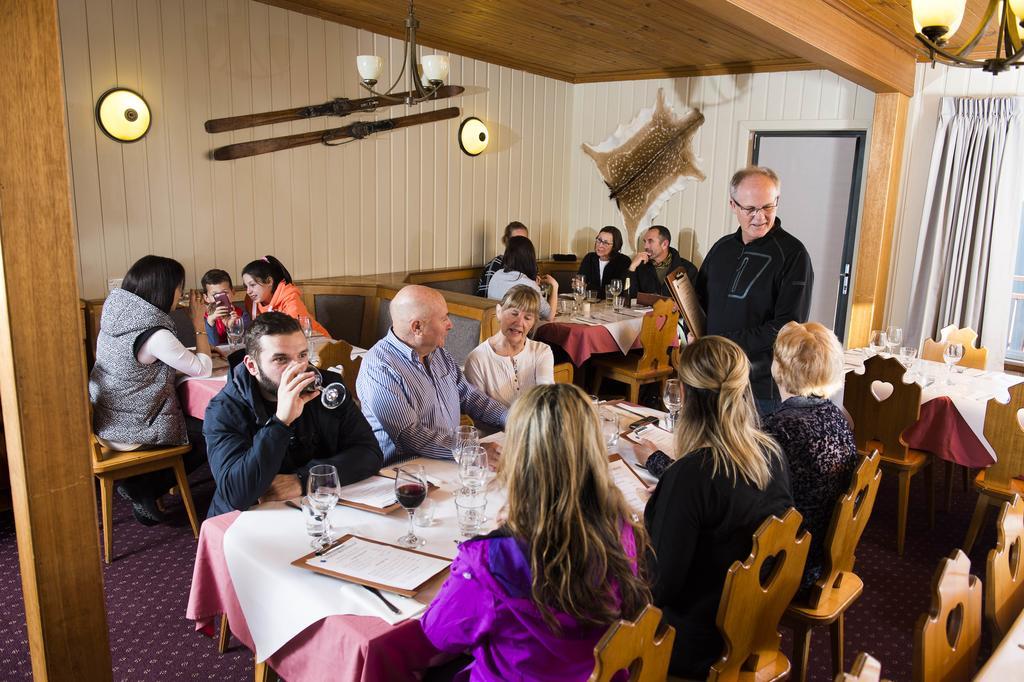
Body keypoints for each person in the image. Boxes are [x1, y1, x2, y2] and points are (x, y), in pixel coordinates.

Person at [421, 383, 651, 681]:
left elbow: (438, 633)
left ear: (518, 456)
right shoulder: (621, 528)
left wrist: (487, 544)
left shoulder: (491, 558)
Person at [643, 336, 793, 679]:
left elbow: (658, 586)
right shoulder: (772, 454)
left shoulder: (692, 476)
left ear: (686, 395)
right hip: (754, 623)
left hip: (696, 640)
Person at [203, 312, 382, 517]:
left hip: (317, 506)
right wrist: (280, 422)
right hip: (249, 519)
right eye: (281, 359)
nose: (297, 369)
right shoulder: (224, 410)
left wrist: (302, 480)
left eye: (302, 356)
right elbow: (237, 494)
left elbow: (370, 453)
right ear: (252, 366)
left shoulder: (328, 386)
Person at [89, 255, 214, 526]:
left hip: (107, 420)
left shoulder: (118, 315)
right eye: (180, 288)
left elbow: (139, 366)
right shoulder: (156, 334)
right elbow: (203, 369)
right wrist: (198, 323)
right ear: (165, 290)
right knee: (211, 431)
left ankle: (139, 480)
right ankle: (143, 488)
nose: (181, 294)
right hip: (132, 427)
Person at [696, 166, 813, 415]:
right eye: (750, 209)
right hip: (711, 377)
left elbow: (787, 326)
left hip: (758, 389)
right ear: (733, 204)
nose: (760, 217)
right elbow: (698, 303)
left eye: (768, 207)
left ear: (777, 201)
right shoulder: (721, 248)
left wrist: (724, 344)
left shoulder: (793, 254)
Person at [357, 285, 508, 465]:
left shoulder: (437, 353)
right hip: (404, 473)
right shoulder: (379, 366)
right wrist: (470, 451)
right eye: (444, 318)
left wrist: (511, 417)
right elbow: (410, 435)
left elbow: (470, 396)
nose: (450, 325)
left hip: (449, 462)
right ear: (417, 327)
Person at [762, 321, 857, 593]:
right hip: (823, 556)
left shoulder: (779, 428)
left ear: (777, 368)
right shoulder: (838, 418)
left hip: (786, 566)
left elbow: (725, 489)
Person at [464, 285, 554, 407]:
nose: (519, 323)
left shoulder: (542, 351)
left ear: (533, 324)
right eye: (514, 313)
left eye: (527, 318)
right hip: (495, 426)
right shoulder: (477, 359)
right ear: (499, 312)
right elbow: (479, 410)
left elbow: (546, 397)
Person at [241, 255, 330, 338]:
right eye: (246, 286)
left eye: (252, 285)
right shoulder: (251, 300)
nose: (248, 291)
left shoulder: (289, 298)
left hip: (318, 343)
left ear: (269, 281)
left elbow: (294, 332)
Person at [486, 236, 558, 321]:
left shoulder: (497, 274)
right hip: (515, 330)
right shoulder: (528, 284)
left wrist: (534, 285)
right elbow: (549, 316)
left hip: (493, 325)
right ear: (529, 258)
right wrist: (555, 286)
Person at [627, 225, 697, 298]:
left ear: (664, 244)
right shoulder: (640, 266)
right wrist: (632, 268)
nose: (645, 246)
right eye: (645, 241)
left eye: (650, 241)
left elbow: (696, 302)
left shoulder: (688, 269)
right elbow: (628, 297)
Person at [476, 221, 529, 296]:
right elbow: (485, 297)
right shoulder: (495, 265)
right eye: (515, 241)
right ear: (507, 241)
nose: (520, 245)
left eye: (524, 241)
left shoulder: (530, 265)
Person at [200, 268, 251, 347]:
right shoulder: (203, 319)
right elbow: (212, 345)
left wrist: (232, 326)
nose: (221, 298)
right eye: (215, 295)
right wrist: (211, 321)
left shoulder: (242, 315)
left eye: (225, 293)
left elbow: (245, 343)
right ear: (206, 298)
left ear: (233, 292)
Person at [577, 225, 632, 298]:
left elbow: (616, 292)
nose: (600, 245)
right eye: (599, 240)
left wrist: (587, 287)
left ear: (615, 246)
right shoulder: (589, 258)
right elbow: (580, 284)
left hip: (612, 306)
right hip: (590, 303)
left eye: (605, 243)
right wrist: (576, 284)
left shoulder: (623, 261)